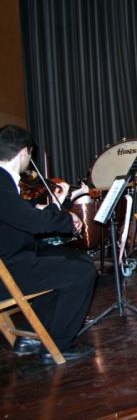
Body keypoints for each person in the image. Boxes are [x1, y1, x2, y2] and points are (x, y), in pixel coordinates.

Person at [0, 125, 97, 364]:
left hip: (13, 259)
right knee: (83, 271)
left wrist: (52, 206)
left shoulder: (4, 182)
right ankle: (59, 345)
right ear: (24, 153)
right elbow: (32, 222)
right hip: (9, 271)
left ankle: (34, 335)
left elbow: (17, 213)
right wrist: (63, 217)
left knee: (73, 260)